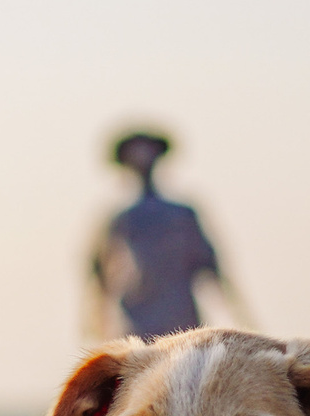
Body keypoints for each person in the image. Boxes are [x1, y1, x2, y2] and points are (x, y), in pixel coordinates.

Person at [91, 130, 239, 340]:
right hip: (137, 319)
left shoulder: (182, 214)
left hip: (181, 316)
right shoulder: (121, 218)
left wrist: (237, 311)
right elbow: (99, 270)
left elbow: (209, 264)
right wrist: (96, 322)